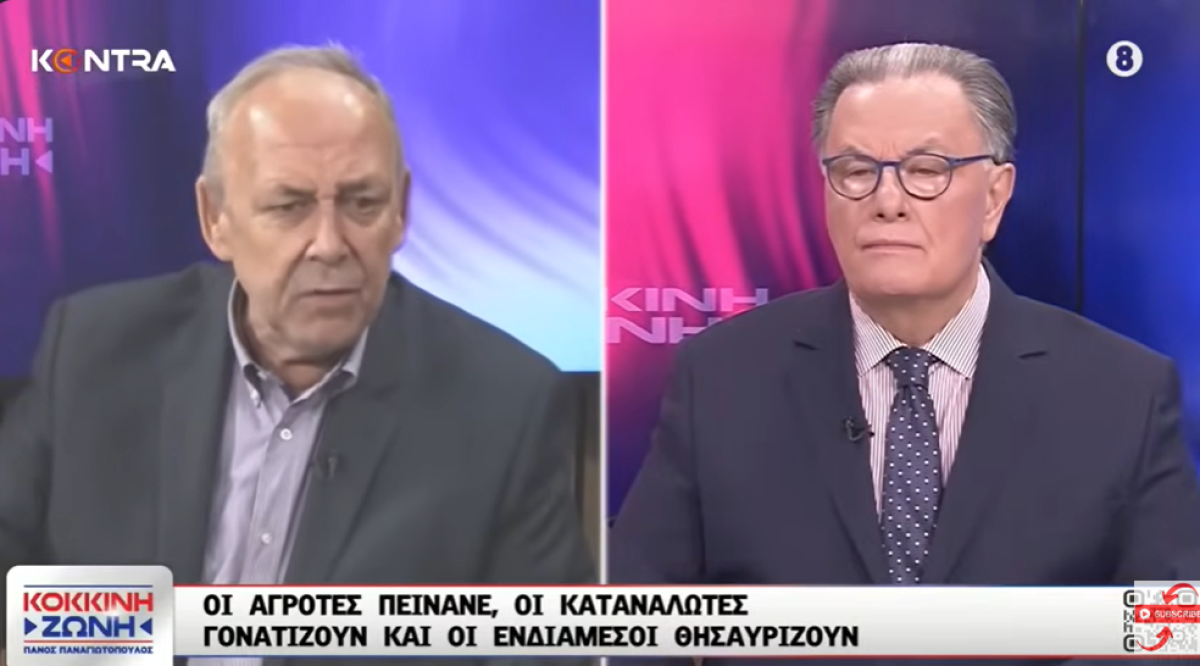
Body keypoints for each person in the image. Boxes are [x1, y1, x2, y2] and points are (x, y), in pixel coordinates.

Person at [0, 45, 593, 665]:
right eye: (289, 206)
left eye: (363, 203)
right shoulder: (94, 350)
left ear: (401, 210)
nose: (329, 244)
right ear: (215, 218)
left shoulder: (504, 405)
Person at [608, 42, 1200, 664]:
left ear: (994, 197)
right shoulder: (721, 378)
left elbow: (1172, 629)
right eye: (855, 170)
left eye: (926, 169)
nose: (887, 201)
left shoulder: (1121, 393)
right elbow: (635, 622)